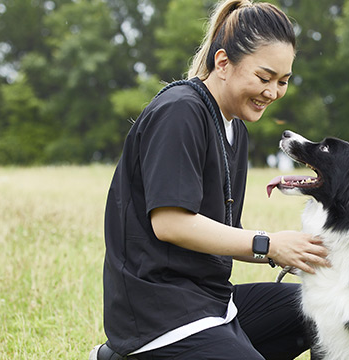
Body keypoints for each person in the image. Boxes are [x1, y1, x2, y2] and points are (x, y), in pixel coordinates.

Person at [89, 1, 329, 359]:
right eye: (264, 78)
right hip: (159, 313)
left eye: (283, 81)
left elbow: (223, 230)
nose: (273, 92)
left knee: (321, 309)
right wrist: (268, 244)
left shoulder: (236, 129)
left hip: (212, 301)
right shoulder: (180, 111)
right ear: (222, 63)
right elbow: (170, 224)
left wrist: (289, 253)